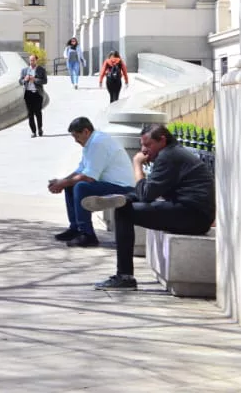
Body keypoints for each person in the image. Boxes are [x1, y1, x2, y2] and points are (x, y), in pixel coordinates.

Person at [82, 123, 216, 290]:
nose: (144, 150)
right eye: (142, 145)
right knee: (127, 201)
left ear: (162, 140)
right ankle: (121, 198)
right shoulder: (172, 153)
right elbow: (151, 191)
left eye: (148, 145)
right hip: (191, 212)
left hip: (193, 216)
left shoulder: (169, 156)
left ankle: (125, 276)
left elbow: (146, 195)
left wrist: (137, 165)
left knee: (123, 212)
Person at [47, 117, 136, 247]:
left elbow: (89, 177)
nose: (76, 141)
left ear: (86, 131)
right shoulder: (90, 143)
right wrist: (62, 181)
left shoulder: (98, 143)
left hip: (123, 187)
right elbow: (80, 170)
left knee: (81, 187)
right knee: (71, 185)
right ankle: (75, 229)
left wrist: (63, 183)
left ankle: (87, 235)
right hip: (109, 184)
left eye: (76, 136)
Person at [19, 53, 48, 137]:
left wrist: (34, 80)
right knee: (30, 113)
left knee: (38, 112)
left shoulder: (41, 70)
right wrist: (25, 79)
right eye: (30, 60)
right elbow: (20, 81)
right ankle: (33, 131)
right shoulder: (24, 70)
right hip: (28, 94)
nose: (31, 62)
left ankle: (40, 129)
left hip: (37, 94)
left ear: (36, 60)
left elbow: (45, 81)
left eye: (33, 60)